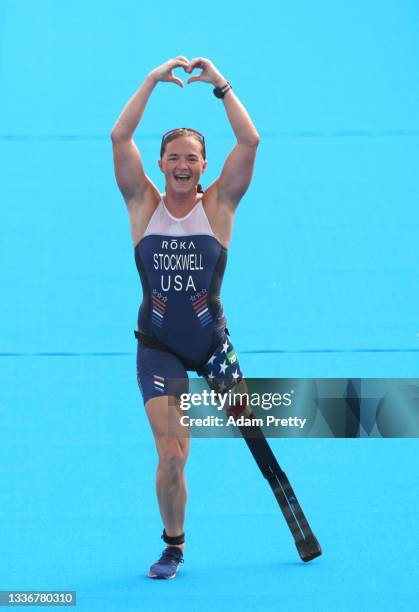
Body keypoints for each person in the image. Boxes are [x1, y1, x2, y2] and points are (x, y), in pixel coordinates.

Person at [111, 56, 260, 579]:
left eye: (191, 158)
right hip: (159, 347)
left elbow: (250, 143)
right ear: (160, 163)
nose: (181, 164)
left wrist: (220, 85)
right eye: (172, 156)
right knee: (172, 455)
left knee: (251, 432)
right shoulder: (141, 204)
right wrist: (151, 80)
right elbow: (119, 136)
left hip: (211, 345)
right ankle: (173, 545)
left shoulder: (218, 205)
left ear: (202, 166)